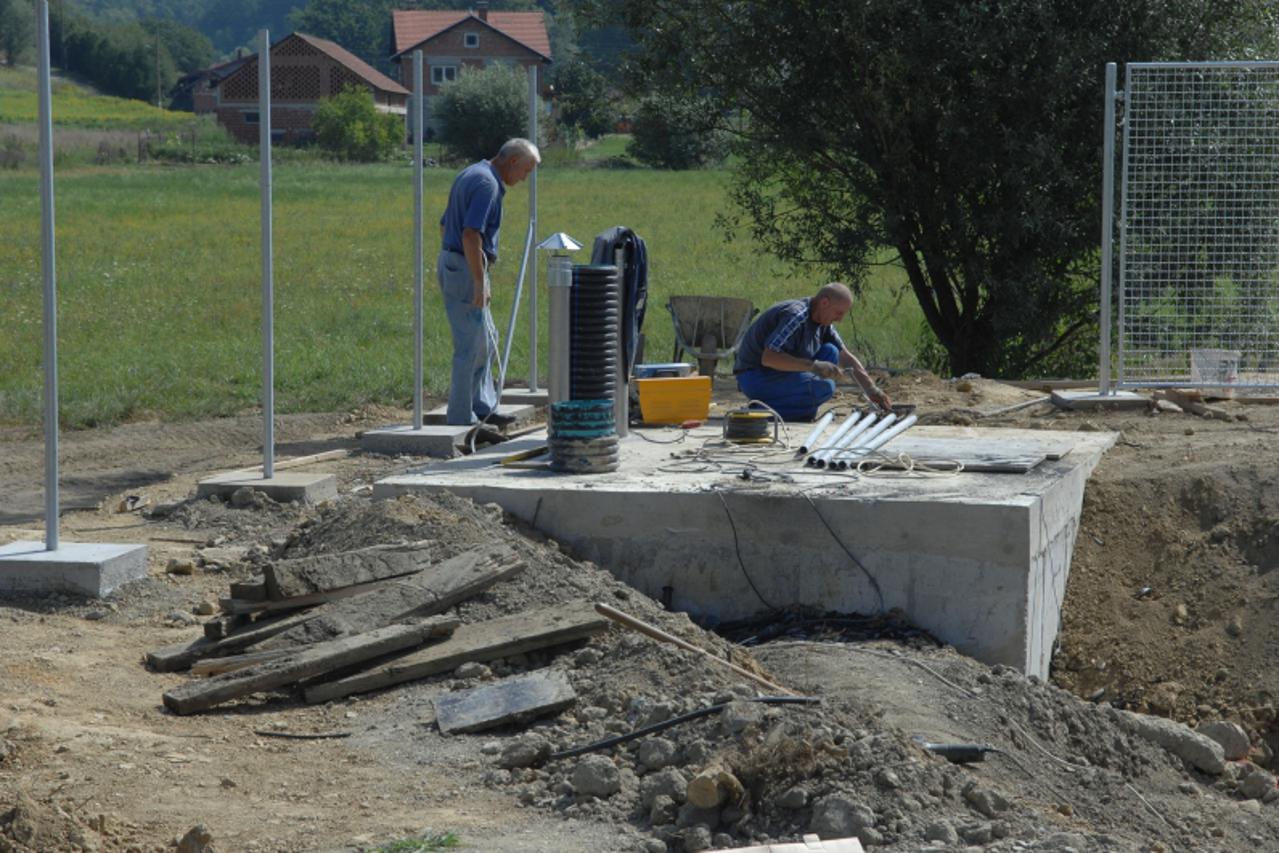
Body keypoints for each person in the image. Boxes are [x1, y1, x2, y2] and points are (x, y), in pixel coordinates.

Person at [438, 138, 541, 426]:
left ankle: (482, 406)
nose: (524, 178)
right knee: (470, 346)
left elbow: (445, 224)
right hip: (465, 267)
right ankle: (461, 417)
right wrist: (477, 279)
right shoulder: (487, 186)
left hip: (460, 263)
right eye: (526, 171)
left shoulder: (472, 173)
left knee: (487, 340)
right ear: (512, 162)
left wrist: (454, 259)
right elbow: (471, 235)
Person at [733, 282, 891, 421]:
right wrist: (813, 366)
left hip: (780, 374)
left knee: (831, 351)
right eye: (839, 313)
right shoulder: (796, 316)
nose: (840, 319)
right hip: (755, 376)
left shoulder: (824, 324)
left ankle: (798, 410)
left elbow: (845, 357)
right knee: (824, 388)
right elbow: (769, 358)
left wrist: (872, 390)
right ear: (824, 302)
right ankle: (760, 412)